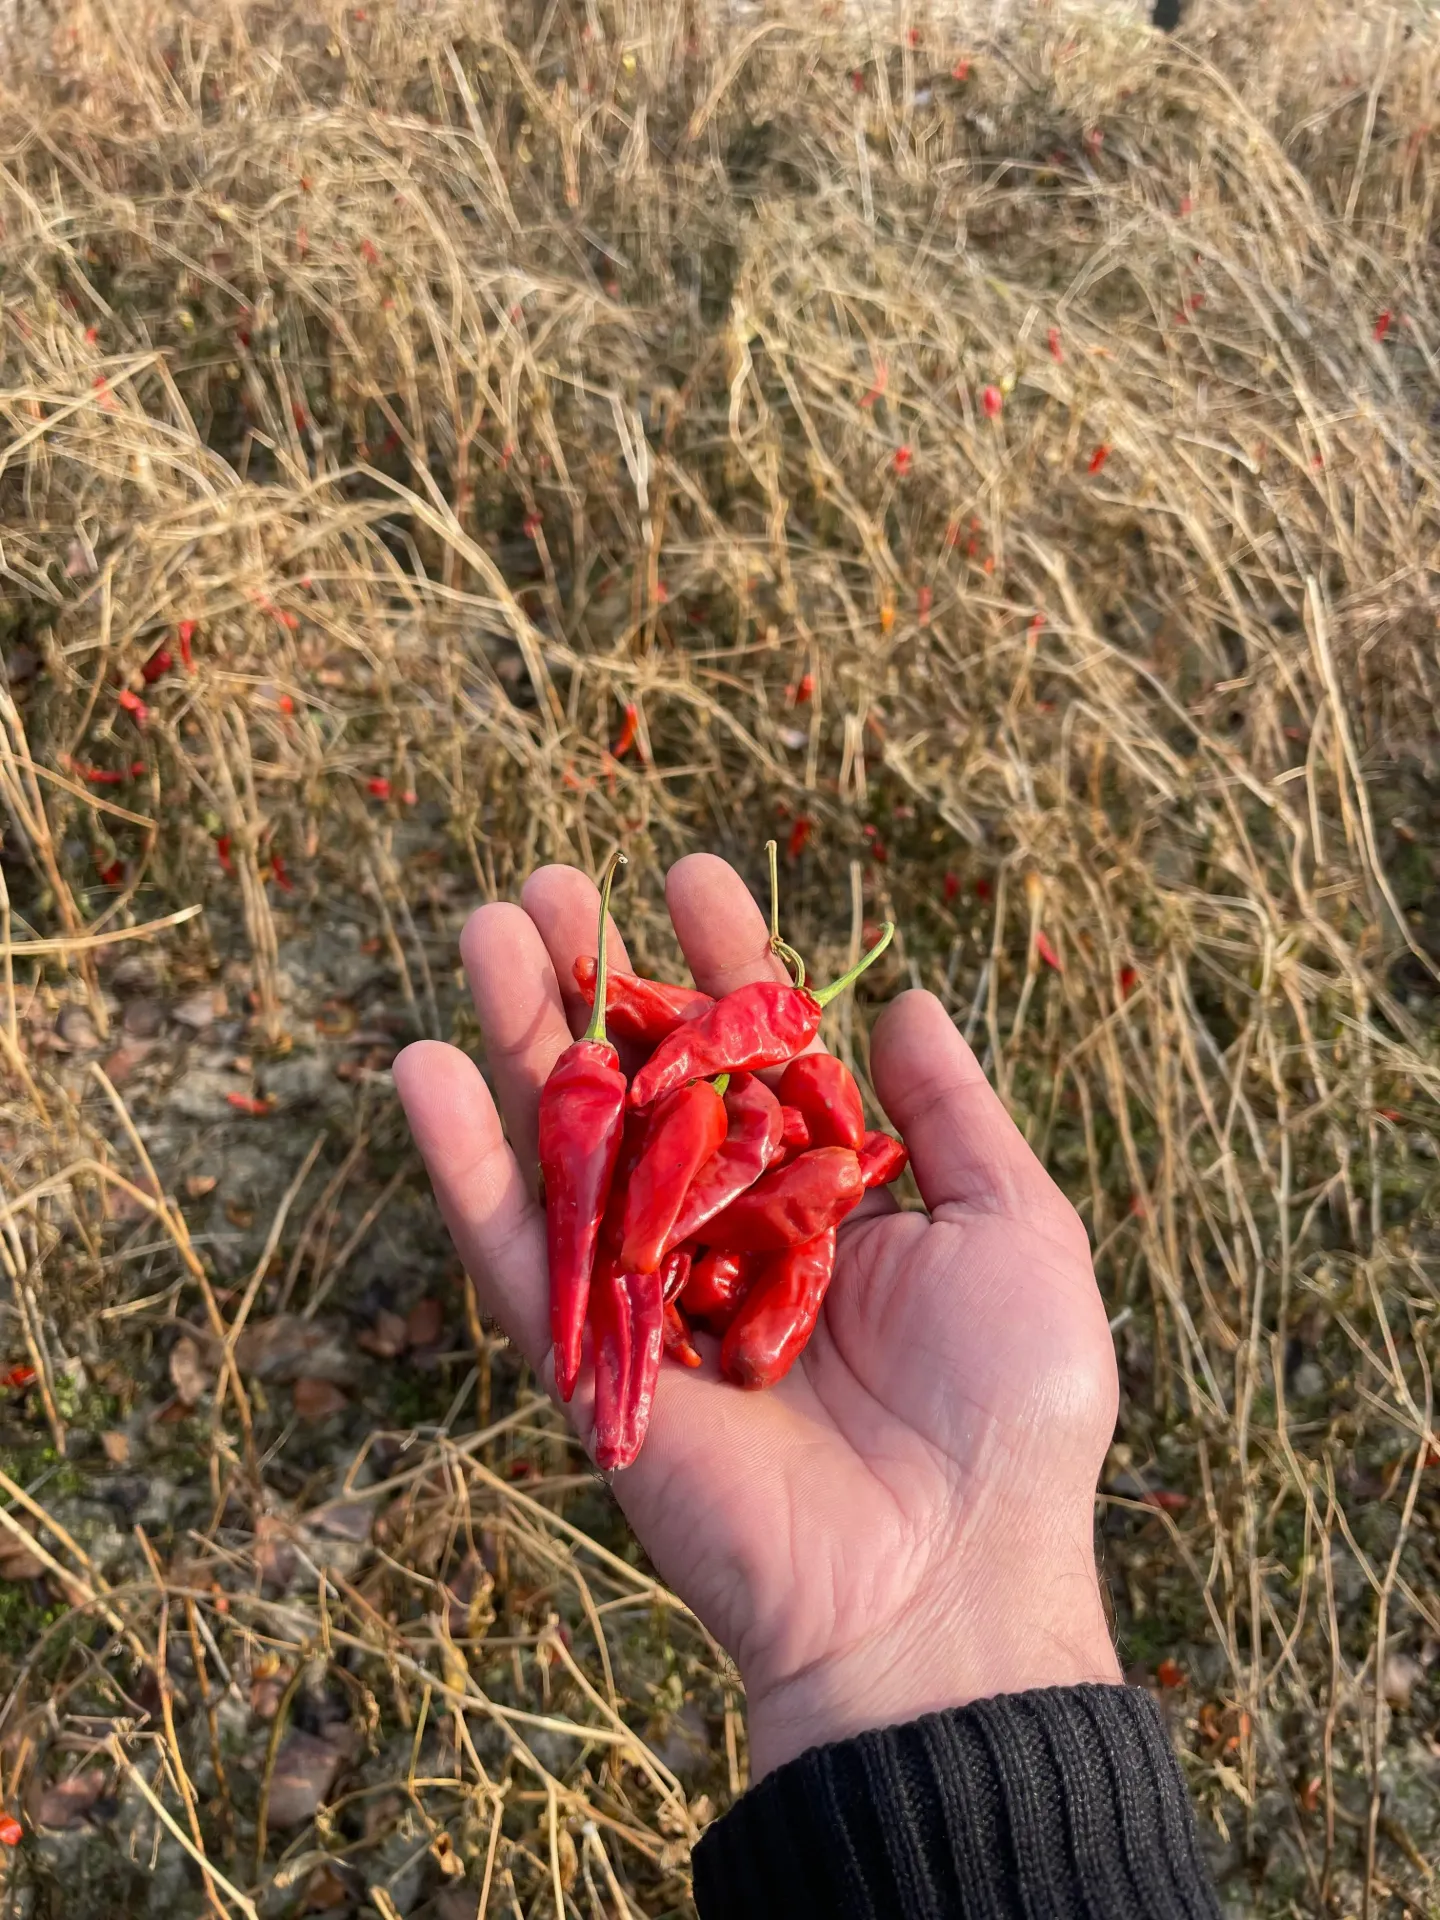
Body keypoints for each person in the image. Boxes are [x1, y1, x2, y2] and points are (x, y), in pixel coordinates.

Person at [394, 854, 1222, 1919]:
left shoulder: (794, 1139)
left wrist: (685, 1182)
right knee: (633, 1199)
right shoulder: (735, 1107)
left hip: (750, 1188)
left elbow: (738, 1180)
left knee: (657, 1214)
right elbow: (688, 1129)